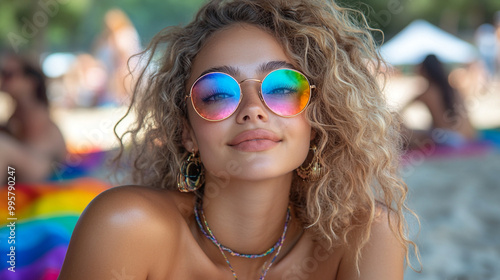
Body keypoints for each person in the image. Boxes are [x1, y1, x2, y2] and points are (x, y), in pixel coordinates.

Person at [59, 0, 418, 279]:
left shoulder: (365, 238)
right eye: (216, 93)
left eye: (281, 88)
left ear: (317, 117)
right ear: (187, 132)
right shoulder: (125, 226)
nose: (252, 110)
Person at [0, 54, 67, 183]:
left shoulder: (35, 112)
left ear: (30, 82)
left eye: (8, 74)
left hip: (43, 168)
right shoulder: (19, 110)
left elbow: (38, 153)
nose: (3, 79)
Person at [402, 54, 476, 149]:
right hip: (467, 136)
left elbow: (403, 108)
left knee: (408, 134)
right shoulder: (453, 89)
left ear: (425, 70)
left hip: (447, 139)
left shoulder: (428, 92)